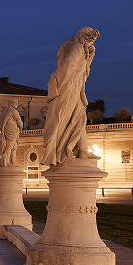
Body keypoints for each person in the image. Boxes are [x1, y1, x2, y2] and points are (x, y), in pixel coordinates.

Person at [43, 27, 101, 166]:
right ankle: (65, 151)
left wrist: (89, 58)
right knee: (69, 118)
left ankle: (83, 150)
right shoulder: (77, 47)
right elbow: (67, 65)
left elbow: (82, 69)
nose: (92, 44)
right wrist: (58, 83)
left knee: (79, 118)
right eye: (91, 41)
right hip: (69, 88)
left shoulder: (78, 47)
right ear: (85, 38)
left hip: (74, 88)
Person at [0, 99, 23, 167]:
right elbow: (19, 121)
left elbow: (0, 123)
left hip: (6, 130)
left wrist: (3, 129)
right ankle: (6, 163)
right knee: (9, 147)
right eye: (16, 103)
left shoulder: (3, 112)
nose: (17, 104)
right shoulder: (14, 111)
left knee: (13, 147)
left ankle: (13, 162)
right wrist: (21, 126)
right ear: (12, 103)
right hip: (12, 131)